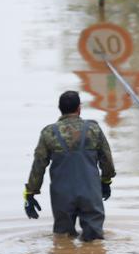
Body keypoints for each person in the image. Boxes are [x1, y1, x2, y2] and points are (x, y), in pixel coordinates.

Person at [24, 90, 116, 241]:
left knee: (62, 239)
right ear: (79, 108)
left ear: (60, 108)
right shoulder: (93, 129)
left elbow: (38, 166)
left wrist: (30, 193)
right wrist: (106, 181)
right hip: (90, 193)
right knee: (94, 241)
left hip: (62, 195)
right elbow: (107, 160)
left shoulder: (49, 132)